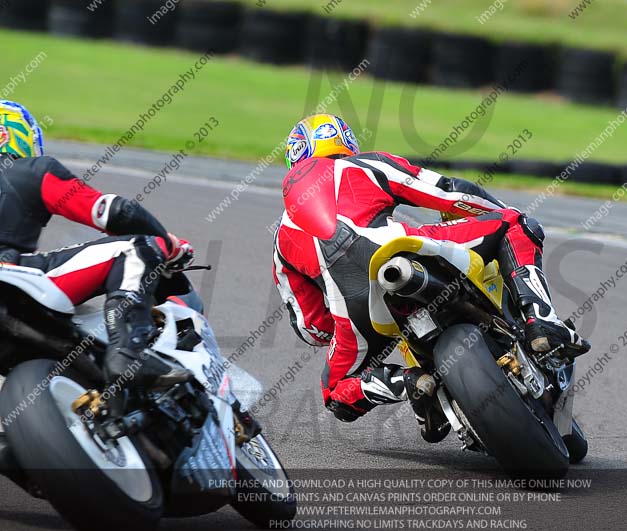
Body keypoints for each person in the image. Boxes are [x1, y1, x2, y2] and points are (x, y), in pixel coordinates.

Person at [272, 113, 590, 442]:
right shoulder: (367, 164)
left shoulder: (281, 239)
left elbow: (310, 326)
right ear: (347, 144)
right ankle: (540, 322)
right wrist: (494, 211)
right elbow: (449, 193)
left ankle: (406, 382)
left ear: (295, 156)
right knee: (516, 225)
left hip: (356, 309)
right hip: (406, 250)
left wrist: (342, 327)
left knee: (335, 393)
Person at [0, 100, 193, 388]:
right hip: (7, 276)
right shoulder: (29, 171)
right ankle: (129, 352)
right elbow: (114, 212)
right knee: (133, 249)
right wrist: (168, 244)